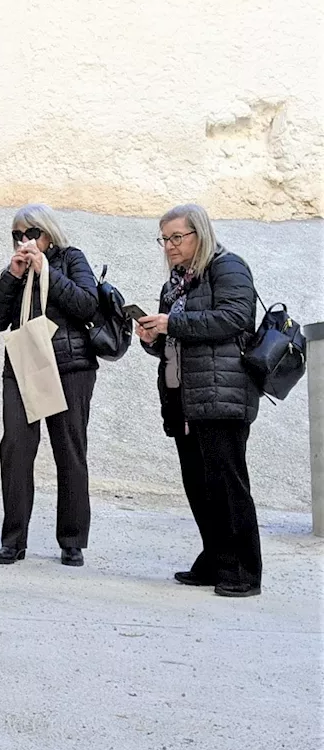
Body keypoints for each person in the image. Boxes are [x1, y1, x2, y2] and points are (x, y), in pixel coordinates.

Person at [136, 204, 261, 597]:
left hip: (222, 393)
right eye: (164, 239)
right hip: (185, 396)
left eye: (177, 237)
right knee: (199, 483)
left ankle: (244, 572)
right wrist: (154, 339)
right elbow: (180, 339)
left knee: (227, 482)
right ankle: (215, 560)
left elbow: (234, 318)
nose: (169, 246)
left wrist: (171, 323)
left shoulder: (229, 267)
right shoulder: (176, 282)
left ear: (199, 234)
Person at [0, 204, 99, 567]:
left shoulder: (71, 258)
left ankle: (72, 540)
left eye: (31, 233)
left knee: (69, 451)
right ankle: (13, 539)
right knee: (15, 449)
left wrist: (47, 270)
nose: (24, 241)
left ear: (49, 233)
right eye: (17, 235)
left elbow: (87, 304)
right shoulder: (18, 269)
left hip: (69, 367)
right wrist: (12, 276)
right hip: (23, 366)